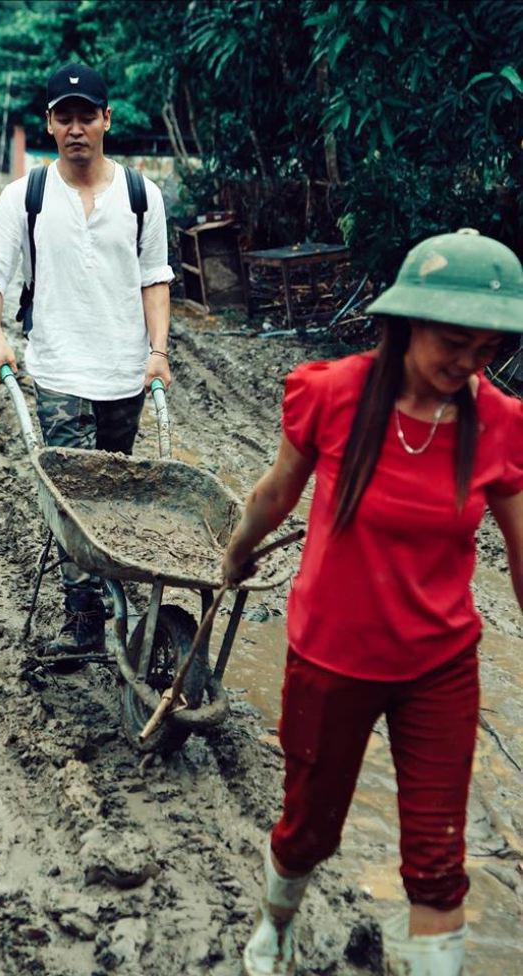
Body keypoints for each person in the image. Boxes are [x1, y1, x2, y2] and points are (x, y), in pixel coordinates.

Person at [223, 229, 523, 976]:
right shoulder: (334, 393)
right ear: (403, 324)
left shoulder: (502, 425)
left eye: (488, 351)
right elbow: (276, 494)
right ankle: (276, 922)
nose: (468, 365)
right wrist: (234, 552)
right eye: (454, 343)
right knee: (309, 829)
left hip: (439, 665)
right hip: (332, 657)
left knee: (436, 859)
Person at [0, 62, 173, 670]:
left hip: (124, 374)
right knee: (70, 498)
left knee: (113, 498)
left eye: (88, 115)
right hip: (57, 370)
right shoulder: (24, 196)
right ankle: (83, 618)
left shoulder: (142, 196)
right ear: (50, 123)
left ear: (107, 119)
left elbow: (154, 279)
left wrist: (157, 351)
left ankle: (106, 590)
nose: (77, 127)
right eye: (65, 116)